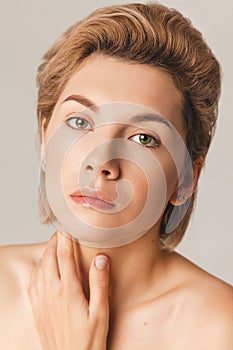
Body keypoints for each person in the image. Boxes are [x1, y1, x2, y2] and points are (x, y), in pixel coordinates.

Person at [0, 2, 232, 349]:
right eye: (80, 123)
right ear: (46, 138)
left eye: (143, 139)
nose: (101, 161)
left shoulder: (219, 329)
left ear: (186, 179)